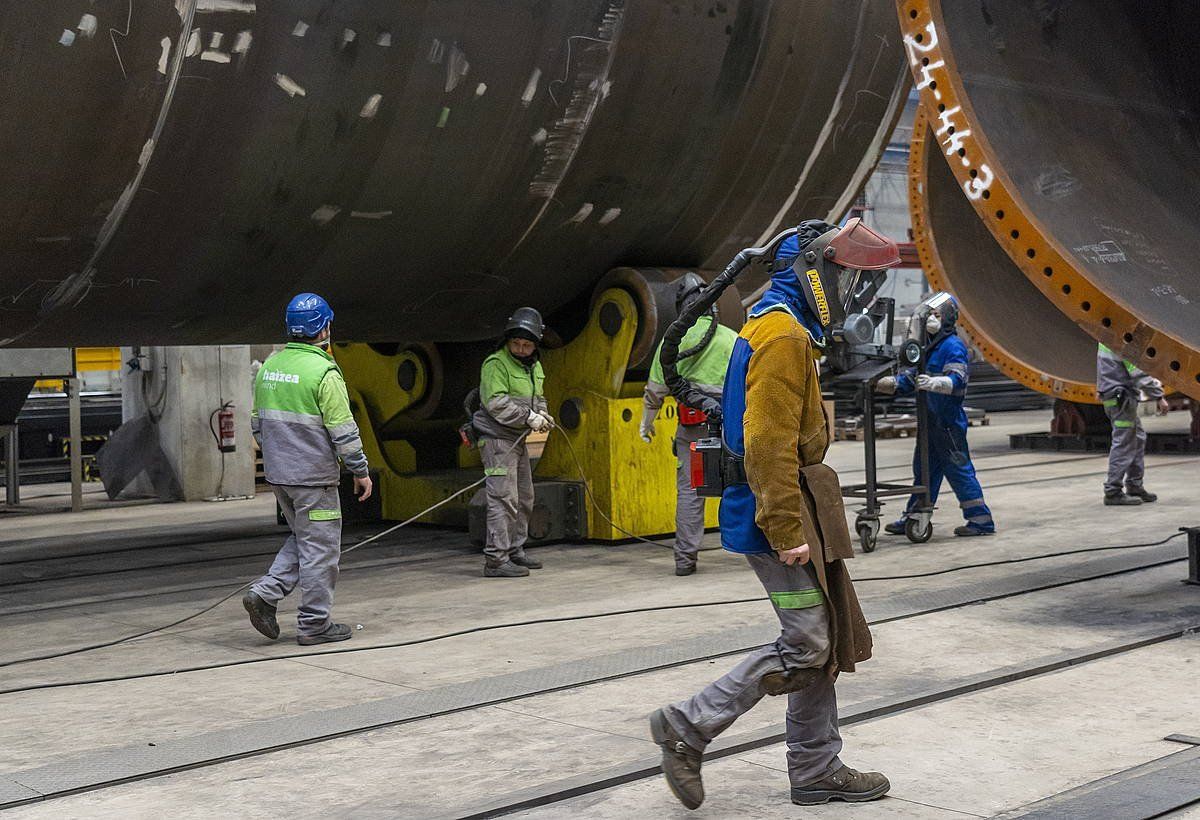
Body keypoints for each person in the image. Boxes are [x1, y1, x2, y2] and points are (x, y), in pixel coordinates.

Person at [650, 220, 894, 809]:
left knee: (825, 637)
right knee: (809, 641)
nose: (854, 290)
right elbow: (766, 442)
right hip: (776, 514)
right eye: (850, 276)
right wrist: (785, 528)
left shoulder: (780, 326)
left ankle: (816, 768)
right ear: (816, 273)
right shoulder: (783, 337)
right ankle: (688, 725)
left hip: (795, 507)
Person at [242, 293, 373, 646]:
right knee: (322, 552)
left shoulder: (270, 366)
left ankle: (266, 595)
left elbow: (257, 424)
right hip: (313, 479)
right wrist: (360, 470)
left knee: (306, 539)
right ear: (325, 327)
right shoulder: (323, 372)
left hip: (280, 476)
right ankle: (314, 624)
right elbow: (344, 431)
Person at [641, 273, 737, 576]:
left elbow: (655, 391)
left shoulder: (673, 340)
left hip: (693, 428)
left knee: (690, 491)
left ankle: (685, 559)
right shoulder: (730, 337)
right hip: (732, 426)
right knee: (748, 484)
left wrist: (647, 423)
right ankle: (763, 547)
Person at [876, 293, 995, 537]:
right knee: (923, 471)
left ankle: (981, 521)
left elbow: (958, 381)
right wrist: (891, 383)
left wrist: (936, 383)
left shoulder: (952, 346)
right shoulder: (929, 346)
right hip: (930, 421)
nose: (931, 320)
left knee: (959, 470)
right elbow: (913, 378)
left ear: (948, 319)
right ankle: (914, 515)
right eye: (930, 315)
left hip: (948, 422)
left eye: (937, 315)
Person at [471, 307, 554, 578]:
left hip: (516, 440)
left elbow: (537, 397)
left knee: (525, 497)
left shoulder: (534, 366)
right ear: (507, 342)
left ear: (535, 345)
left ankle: (515, 550)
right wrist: (527, 417)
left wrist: (541, 413)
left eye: (526, 345)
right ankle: (495, 560)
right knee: (502, 499)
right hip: (497, 441)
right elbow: (495, 403)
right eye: (516, 343)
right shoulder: (496, 364)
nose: (520, 349)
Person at [1096, 342, 1168, 505]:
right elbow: (1138, 373)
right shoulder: (1121, 341)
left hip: (1115, 397)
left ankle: (1134, 485)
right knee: (1124, 442)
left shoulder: (1105, 339)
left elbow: (1104, 367)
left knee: (1137, 437)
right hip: (1122, 399)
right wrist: (1158, 396)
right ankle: (1113, 491)